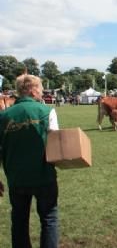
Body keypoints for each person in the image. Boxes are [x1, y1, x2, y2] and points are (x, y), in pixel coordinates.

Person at [0, 74, 60, 248]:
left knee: (19, 221)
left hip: (16, 178)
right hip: (44, 176)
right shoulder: (47, 111)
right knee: (49, 219)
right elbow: (56, 143)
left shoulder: (3, 116)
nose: (42, 92)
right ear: (32, 90)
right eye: (40, 88)